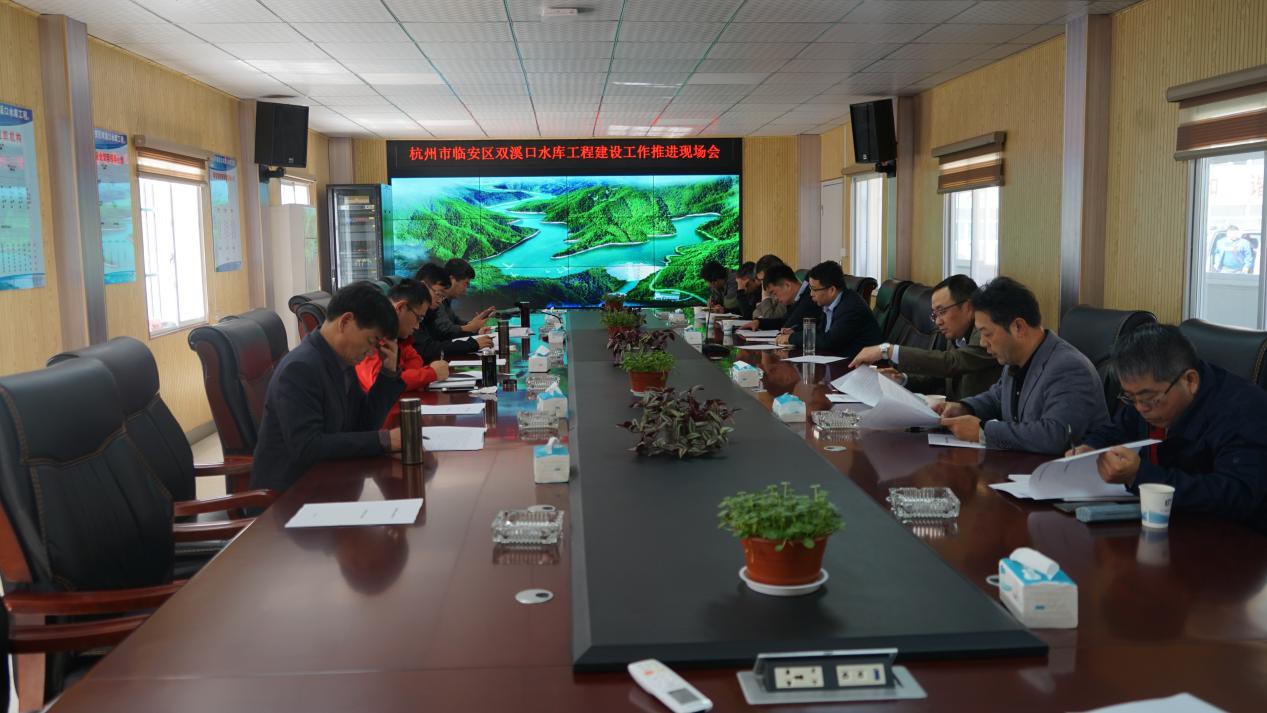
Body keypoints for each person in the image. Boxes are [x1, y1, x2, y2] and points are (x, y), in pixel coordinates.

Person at [1070, 324, 1267, 531]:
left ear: (1190, 380)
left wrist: (1140, 476)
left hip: (1232, 537)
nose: (1140, 408)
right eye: (1130, 398)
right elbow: (1116, 430)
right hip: (1165, 524)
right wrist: (1090, 448)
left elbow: (1237, 495)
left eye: (1149, 399)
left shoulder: (1245, 410)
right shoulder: (1145, 396)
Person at [250, 282, 405, 493]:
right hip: (290, 496)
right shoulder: (300, 368)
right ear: (346, 321)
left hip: (329, 481)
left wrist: (387, 373)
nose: (371, 353)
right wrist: (384, 440)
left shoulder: (339, 359)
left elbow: (364, 424)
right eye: (371, 341)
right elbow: (308, 447)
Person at [935, 276, 1108, 453]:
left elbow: (1054, 435)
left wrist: (983, 431)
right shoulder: (1015, 359)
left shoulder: (1069, 367)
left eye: (987, 334)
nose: (982, 343)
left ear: (1018, 327)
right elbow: (996, 398)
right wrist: (963, 408)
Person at [849, 274, 1000, 401]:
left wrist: (888, 350)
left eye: (942, 312)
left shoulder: (986, 336)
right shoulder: (957, 332)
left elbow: (951, 362)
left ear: (968, 307)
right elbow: (942, 377)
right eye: (935, 314)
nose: (938, 322)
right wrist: (902, 379)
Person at [356, 279, 451, 394]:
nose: (417, 327)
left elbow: (415, 360)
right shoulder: (372, 334)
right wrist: (430, 373)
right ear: (401, 308)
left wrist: (406, 377)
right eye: (418, 318)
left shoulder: (399, 336)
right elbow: (379, 384)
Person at [775, 260, 881, 358]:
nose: (811, 294)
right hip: (840, 361)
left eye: (814, 289)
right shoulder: (830, 304)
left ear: (831, 290)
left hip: (861, 366)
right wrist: (795, 331)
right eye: (810, 289)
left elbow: (830, 341)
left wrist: (791, 338)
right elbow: (821, 332)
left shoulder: (851, 307)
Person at [415, 262, 491, 359]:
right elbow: (429, 348)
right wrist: (472, 340)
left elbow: (438, 340)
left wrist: (473, 330)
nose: (440, 301)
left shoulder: (430, 311)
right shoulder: (414, 311)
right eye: (438, 294)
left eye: (442, 296)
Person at [745, 263, 821, 333]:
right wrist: (759, 323)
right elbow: (783, 321)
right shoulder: (798, 299)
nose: (775, 298)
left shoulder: (809, 297)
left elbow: (787, 326)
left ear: (787, 285)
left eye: (774, 293)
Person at [441, 258, 497, 334]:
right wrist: (472, 327)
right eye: (465, 284)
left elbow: (456, 322)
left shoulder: (446, 301)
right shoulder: (436, 301)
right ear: (451, 279)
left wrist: (475, 326)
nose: (465, 290)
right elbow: (445, 331)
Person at [751, 254, 787, 321]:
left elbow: (770, 319)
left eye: (764, 280)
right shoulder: (770, 289)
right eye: (761, 280)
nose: (763, 284)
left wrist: (766, 297)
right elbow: (755, 313)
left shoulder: (786, 290)